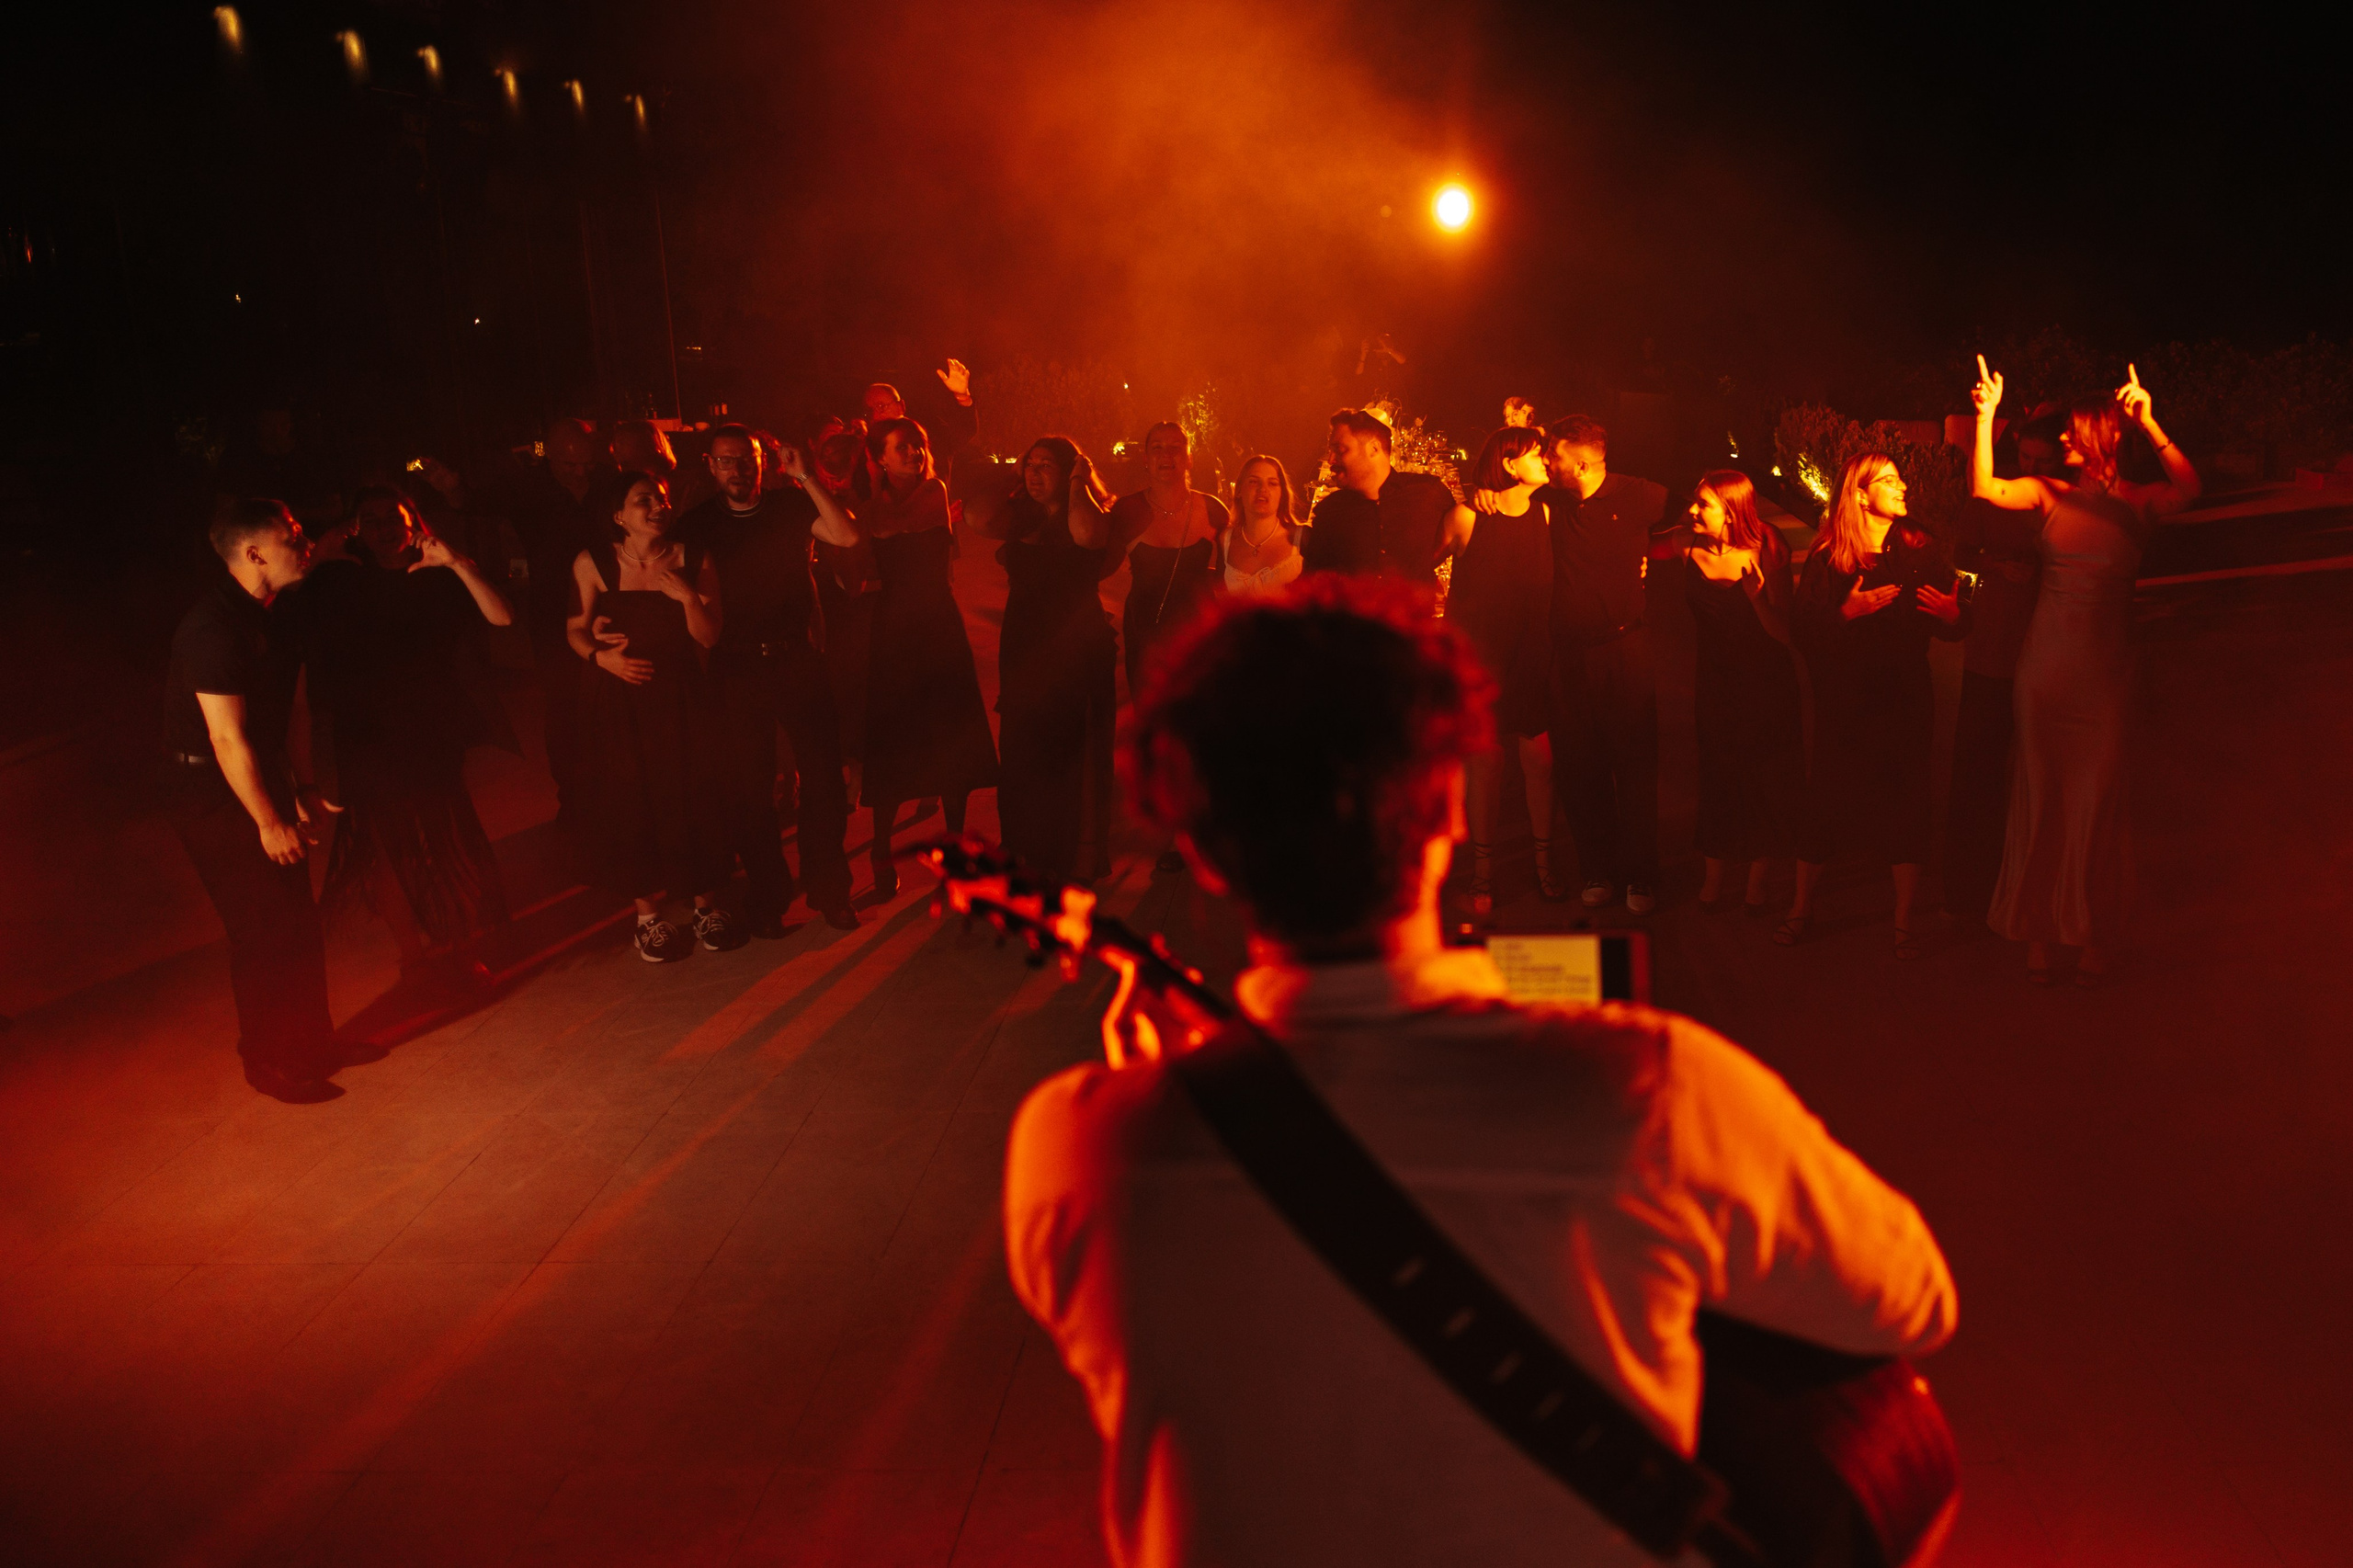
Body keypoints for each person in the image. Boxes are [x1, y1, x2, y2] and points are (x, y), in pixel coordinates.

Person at [1004, 576, 1959, 1567]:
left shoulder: (1077, 1146)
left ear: (1203, 850)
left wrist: (1187, 1089)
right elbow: (1910, 1298)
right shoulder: (1650, 1087)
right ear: (1450, 813)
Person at [1973, 359, 2201, 983]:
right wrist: (1986, 415)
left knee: (2097, 802)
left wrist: (2150, 422)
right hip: (2047, 669)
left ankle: (2092, 931)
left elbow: (2190, 489)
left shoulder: (2139, 501)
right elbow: (1986, 488)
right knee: (2043, 796)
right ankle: (2039, 933)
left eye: (2074, 431)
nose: (2063, 439)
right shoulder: (2048, 493)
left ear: (2102, 438)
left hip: (2106, 673)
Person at [296, 488, 517, 995]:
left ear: (411, 520)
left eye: (391, 518)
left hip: (428, 726)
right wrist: (318, 561)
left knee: (443, 838)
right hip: (367, 731)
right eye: (369, 520)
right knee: (386, 847)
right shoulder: (341, 579)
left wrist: (457, 562)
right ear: (356, 529)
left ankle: (459, 947)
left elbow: (501, 616)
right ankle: (413, 958)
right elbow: (290, 626)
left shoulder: (437, 573)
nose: (382, 529)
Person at [165, 500, 343, 1102]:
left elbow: (293, 711)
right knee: (261, 929)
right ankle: (268, 1061)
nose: (307, 544)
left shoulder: (279, 614)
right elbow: (226, 738)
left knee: (298, 921)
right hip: (212, 793)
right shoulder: (211, 629)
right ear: (253, 553)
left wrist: (305, 787)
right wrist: (268, 821)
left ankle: (314, 1045)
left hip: (257, 774)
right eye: (292, 537)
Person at [1785, 453, 1970, 959]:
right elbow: (1803, 632)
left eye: (1899, 477)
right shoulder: (1830, 557)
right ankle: (1800, 907)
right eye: (1888, 480)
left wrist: (1954, 617)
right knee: (1826, 797)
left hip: (1905, 695)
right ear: (1861, 495)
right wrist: (1846, 612)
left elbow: (1953, 619)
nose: (1902, 485)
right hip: (1846, 699)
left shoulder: (1917, 546)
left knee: (1908, 799)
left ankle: (1903, 919)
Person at [680, 426, 861, 935]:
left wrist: (805, 476)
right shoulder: (698, 524)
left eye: (747, 459)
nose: (738, 469)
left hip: (796, 657)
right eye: (726, 460)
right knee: (749, 789)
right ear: (710, 465)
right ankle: (768, 895)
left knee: (823, 780)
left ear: (764, 461)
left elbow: (847, 535)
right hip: (735, 666)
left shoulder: (789, 505)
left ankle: (830, 890)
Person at [565, 471, 737, 961]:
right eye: (644, 500)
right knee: (631, 800)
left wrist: (687, 598)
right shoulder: (594, 562)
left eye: (661, 498)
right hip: (620, 700)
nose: (659, 506)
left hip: (681, 696)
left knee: (693, 794)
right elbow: (575, 629)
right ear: (619, 516)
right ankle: (648, 918)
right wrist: (602, 658)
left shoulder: (693, 558)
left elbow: (709, 637)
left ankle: (706, 907)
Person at [823, 417, 998, 897]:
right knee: (893, 741)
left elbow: (894, 525)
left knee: (950, 737)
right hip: (893, 630)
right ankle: (880, 851)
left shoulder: (932, 491)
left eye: (918, 445)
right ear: (879, 457)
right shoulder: (867, 507)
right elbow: (854, 579)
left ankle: (957, 848)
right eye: (902, 447)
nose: (914, 454)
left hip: (937, 625)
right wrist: (844, 528)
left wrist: (860, 507)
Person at [1529, 415, 1670, 913]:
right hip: (1568, 655)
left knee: (1634, 766)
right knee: (1578, 767)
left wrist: (1654, 555)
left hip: (1625, 650)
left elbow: (1695, 518)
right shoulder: (1550, 500)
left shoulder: (1640, 495)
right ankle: (1597, 868)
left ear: (1583, 464)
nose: (1548, 461)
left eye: (1555, 455)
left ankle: (1641, 875)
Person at [969, 437, 1119, 883]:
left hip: (1076, 648)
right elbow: (976, 516)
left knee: (1073, 755)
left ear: (1070, 471)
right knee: (1021, 752)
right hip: (1025, 647)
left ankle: (1071, 857)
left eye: (1046, 465)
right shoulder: (1020, 517)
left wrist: (1077, 484)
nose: (1034, 473)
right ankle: (1023, 851)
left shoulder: (1091, 513)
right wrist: (1012, 472)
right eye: (1030, 465)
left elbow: (1087, 535)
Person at [1941, 415, 2062, 927]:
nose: (2031, 468)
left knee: (2040, 780)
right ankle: (1967, 892)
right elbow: (1959, 558)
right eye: (2025, 457)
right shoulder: (1994, 497)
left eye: (2043, 461)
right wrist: (1990, 571)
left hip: (2046, 652)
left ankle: (2032, 888)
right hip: (1991, 651)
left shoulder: (2062, 502)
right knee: (1978, 772)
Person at [1444, 426, 1562, 918]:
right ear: (1511, 464)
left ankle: (1544, 863)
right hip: (1483, 660)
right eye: (1537, 454)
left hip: (1534, 655)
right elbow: (1421, 564)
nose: (1547, 460)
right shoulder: (1469, 517)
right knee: (1486, 767)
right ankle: (1483, 871)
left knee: (1540, 762)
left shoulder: (1547, 514)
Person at [1681, 470, 1805, 916]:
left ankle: (1757, 880)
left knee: (1763, 779)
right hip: (1715, 682)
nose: (1693, 510)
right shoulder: (1686, 545)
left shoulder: (1767, 552)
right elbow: (1635, 540)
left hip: (1765, 684)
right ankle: (1714, 877)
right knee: (1717, 775)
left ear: (1731, 512)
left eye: (1704, 504)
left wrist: (1757, 599)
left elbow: (1785, 634)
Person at [506, 417, 612, 827]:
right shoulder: (528, 488)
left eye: (587, 463)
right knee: (564, 705)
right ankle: (574, 798)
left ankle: (616, 792)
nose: (581, 472)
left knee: (611, 703)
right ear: (549, 456)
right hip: (553, 612)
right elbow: (474, 501)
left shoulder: (608, 482)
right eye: (570, 465)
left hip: (608, 605)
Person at [1108, 422, 1228, 710]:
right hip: (1146, 636)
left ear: (1189, 458)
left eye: (1175, 448)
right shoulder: (1128, 510)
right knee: (1151, 719)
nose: (1166, 455)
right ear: (1146, 459)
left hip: (1198, 636)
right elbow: (1098, 567)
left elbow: (1234, 575)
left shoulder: (1213, 509)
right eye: (1157, 448)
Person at [1302, 408, 1461, 587]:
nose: (1330, 460)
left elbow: (1463, 533)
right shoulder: (1330, 513)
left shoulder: (1429, 494)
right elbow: (1314, 585)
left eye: (1340, 450)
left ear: (1374, 449)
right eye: (1331, 450)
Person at [1220, 454, 1305, 597]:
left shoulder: (1301, 539)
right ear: (1239, 490)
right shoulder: (1226, 540)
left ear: (1282, 493)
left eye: (1272, 483)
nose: (1262, 489)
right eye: (1253, 482)